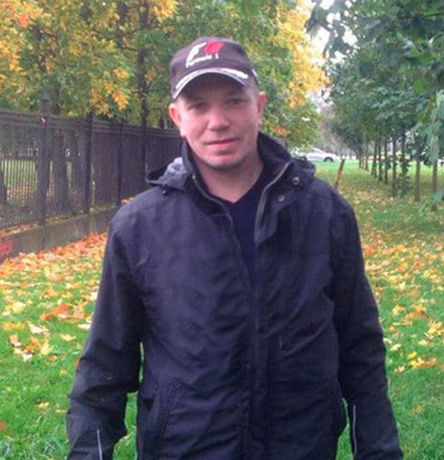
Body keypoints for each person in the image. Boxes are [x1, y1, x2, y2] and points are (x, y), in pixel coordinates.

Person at [66, 37, 403, 460]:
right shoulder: (139, 227)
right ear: (177, 117)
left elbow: (360, 350)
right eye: (198, 106)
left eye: (234, 101)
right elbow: (104, 368)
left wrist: (379, 450)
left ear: (258, 106)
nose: (218, 121)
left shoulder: (324, 213)